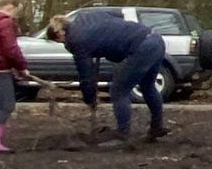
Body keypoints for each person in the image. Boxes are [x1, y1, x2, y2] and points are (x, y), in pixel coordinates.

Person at [47, 9, 170, 146]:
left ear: (60, 33)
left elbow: (86, 75)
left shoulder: (75, 40)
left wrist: (90, 98)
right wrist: (103, 40)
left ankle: (122, 134)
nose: (63, 44)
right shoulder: (87, 16)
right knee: (148, 86)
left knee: (118, 91)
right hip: (156, 40)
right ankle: (157, 127)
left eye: (59, 41)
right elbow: (119, 15)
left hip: (141, 48)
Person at [0, 0, 30, 153]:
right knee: (6, 104)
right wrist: (21, 66)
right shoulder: (5, 22)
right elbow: (11, 49)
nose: (15, 17)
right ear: (10, 7)